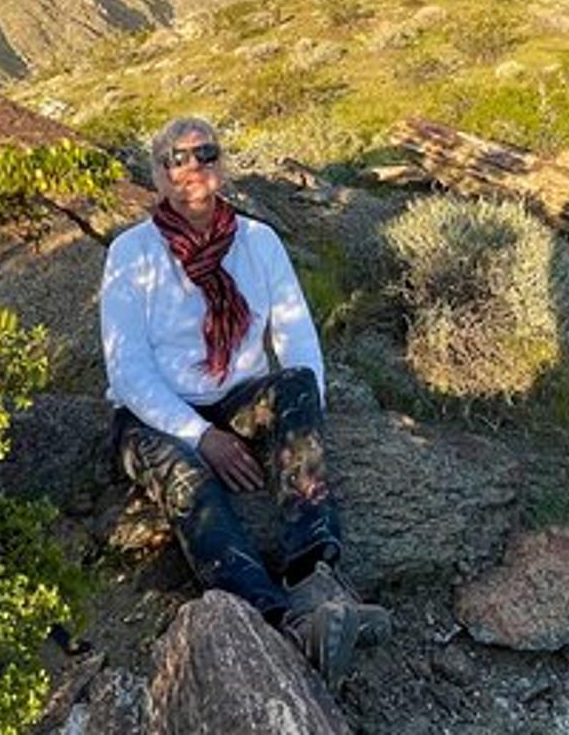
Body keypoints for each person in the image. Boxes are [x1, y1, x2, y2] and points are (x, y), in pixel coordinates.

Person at [99, 115, 387, 686]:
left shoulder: (258, 242)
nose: (192, 169)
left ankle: (314, 574)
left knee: (298, 382)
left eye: (204, 154)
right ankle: (280, 622)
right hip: (151, 415)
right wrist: (201, 436)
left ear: (221, 164)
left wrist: (304, 425)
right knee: (186, 479)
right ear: (157, 174)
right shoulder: (132, 253)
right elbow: (128, 369)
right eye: (175, 159)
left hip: (236, 395)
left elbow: (297, 337)